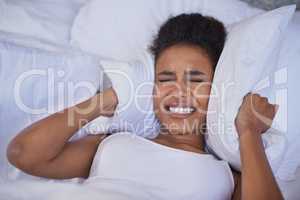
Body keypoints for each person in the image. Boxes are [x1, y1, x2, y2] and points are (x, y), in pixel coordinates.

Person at [7, 13, 283, 199]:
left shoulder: (227, 178)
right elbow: (24, 154)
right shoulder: (112, 144)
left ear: (218, 89)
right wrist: (112, 97)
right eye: (165, 79)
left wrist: (249, 131)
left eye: (195, 79)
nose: (179, 92)